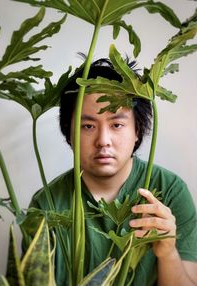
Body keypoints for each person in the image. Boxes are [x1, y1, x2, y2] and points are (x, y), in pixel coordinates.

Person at [29, 58, 197, 285]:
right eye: (88, 126)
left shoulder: (171, 191)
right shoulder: (46, 203)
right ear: (69, 133)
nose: (103, 141)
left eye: (116, 125)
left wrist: (167, 252)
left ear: (137, 130)